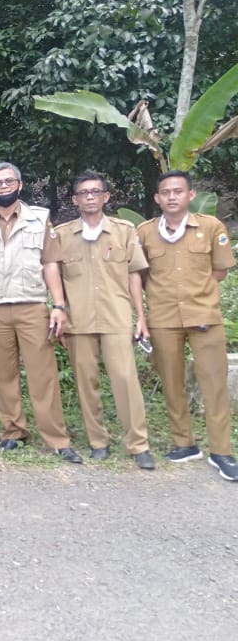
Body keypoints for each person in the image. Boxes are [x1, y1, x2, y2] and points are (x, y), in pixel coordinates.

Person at [0, 162, 82, 463]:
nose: (3, 187)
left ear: (19, 185)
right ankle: (13, 431)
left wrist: (59, 305)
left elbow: (50, 264)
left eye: (9, 182)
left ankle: (56, 438)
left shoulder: (39, 219)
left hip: (31, 307)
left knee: (43, 375)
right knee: (4, 375)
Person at [46, 170, 155, 469]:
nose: (90, 196)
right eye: (84, 193)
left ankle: (138, 443)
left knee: (125, 380)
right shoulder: (63, 235)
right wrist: (59, 310)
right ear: (75, 199)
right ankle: (98, 441)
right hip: (78, 320)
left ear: (106, 197)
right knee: (86, 383)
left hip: (117, 317)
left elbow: (135, 275)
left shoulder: (123, 231)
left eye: (95, 191)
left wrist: (140, 317)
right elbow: (54, 275)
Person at [136, 170, 237, 481]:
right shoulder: (145, 232)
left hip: (203, 316)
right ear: (157, 198)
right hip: (164, 318)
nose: (171, 196)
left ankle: (221, 450)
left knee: (214, 385)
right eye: (165, 192)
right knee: (172, 382)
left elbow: (219, 270)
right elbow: (139, 276)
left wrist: (197, 293)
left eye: (178, 191)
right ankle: (184, 443)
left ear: (190, 195)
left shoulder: (210, 227)